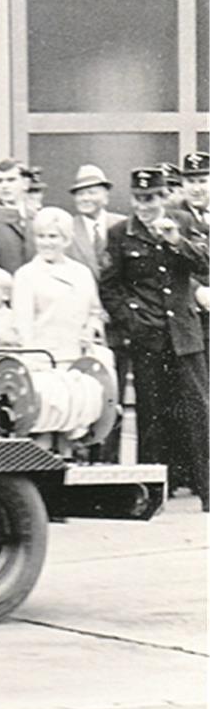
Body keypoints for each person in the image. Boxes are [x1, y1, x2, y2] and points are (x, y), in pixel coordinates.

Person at [100, 168, 209, 511]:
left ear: (163, 197)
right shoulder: (120, 233)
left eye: (151, 198)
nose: (145, 206)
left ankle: (207, 492)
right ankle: (153, 496)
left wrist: (177, 241)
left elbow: (205, 264)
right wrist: (132, 322)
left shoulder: (182, 223)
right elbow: (110, 285)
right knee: (152, 416)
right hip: (148, 337)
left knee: (199, 412)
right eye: (139, 199)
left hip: (185, 335)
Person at [13, 208, 105, 368]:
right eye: (41, 236)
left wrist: (91, 330)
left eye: (53, 236)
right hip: (44, 360)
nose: (46, 243)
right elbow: (23, 325)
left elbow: (95, 312)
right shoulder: (26, 275)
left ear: (67, 240)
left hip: (81, 358)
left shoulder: (82, 272)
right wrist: (32, 360)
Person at [66, 165, 126, 279]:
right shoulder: (67, 229)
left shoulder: (123, 225)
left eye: (91, 192)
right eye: (80, 194)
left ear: (105, 196)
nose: (85, 198)